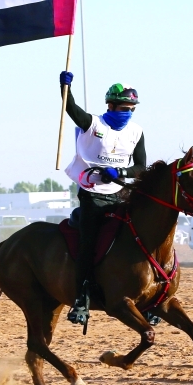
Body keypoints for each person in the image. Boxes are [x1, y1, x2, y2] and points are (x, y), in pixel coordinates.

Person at [60, 71, 146, 326]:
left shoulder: (136, 132)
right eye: (123, 108)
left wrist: (121, 172)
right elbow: (71, 108)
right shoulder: (93, 124)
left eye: (131, 109)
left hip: (121, 193)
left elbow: (141, 166)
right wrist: (65, 87)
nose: (127, 113)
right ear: (110, 105)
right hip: (92, 195)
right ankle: (81, 298)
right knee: (89, 244)